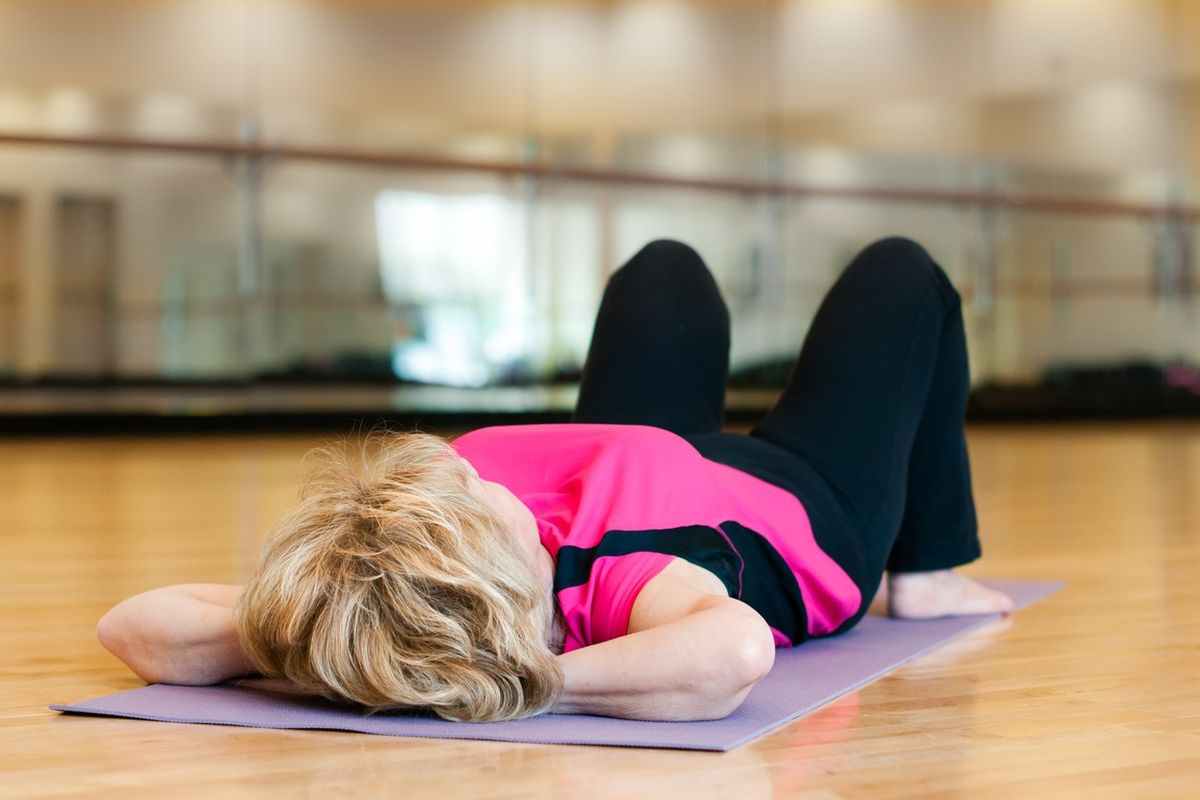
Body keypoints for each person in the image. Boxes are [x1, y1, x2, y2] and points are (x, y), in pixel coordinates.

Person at [97, 237, 1013, 724]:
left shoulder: (381, 590)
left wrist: (311, 644)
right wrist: (515, 681)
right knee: (902, 275)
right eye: (474, 507)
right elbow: (733, 657)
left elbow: (131, 627)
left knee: (664, 272)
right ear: (508, 580)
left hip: (640, 452)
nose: (468, 477)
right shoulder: (614, 584)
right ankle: (928, 569)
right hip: (803, 502)